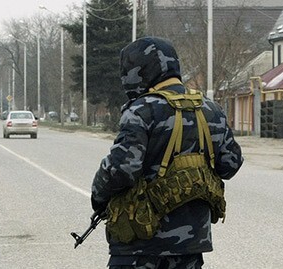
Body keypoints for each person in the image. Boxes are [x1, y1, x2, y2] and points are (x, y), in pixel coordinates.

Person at [91, 36, 244, 268]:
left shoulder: (142, 109)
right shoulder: (211, 109)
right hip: (192, 244)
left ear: (138, 70)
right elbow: (230, 165)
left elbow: (121, 169)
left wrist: (98, 197)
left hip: (141, 244)